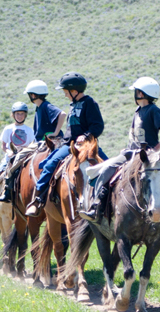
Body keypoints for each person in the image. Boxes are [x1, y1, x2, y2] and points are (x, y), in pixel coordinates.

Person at [78, 77, 160, 232]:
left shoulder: (153, 110)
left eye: (137, 91)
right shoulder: (138, 111)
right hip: (131, 153)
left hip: (149, 156)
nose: (135, 94)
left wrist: (157, 148)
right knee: (105, 170)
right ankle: (96, 206)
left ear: (142, 93)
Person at [25, 72, 108, 217]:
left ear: (74, 91)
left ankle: (108, 203)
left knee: (108, 167)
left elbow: (98, 126)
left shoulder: (90, 103)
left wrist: (86, 136)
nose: (65, 95)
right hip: (69, 145)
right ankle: (38, 199)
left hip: (87, 146)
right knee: (50, 164)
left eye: (65, 91)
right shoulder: (73, 104)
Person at [0, 80, 67, 203]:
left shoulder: (46, 106)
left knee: (18, 158)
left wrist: (55, 133)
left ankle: (8, 191)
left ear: (33, 95)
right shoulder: (39, 108)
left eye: (29, 94)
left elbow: (62, 114)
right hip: (40, 142)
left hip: (46, 142)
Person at [0, 102, 34, 214]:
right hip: (8, 159)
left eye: (22, 114)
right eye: (17, 114)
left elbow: (32, 145)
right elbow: (4, 145)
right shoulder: (8, 128)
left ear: (25, 115)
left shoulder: (29, 130)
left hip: (23, 160)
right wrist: (9, 151)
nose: (20, 116)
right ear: (13, 115)